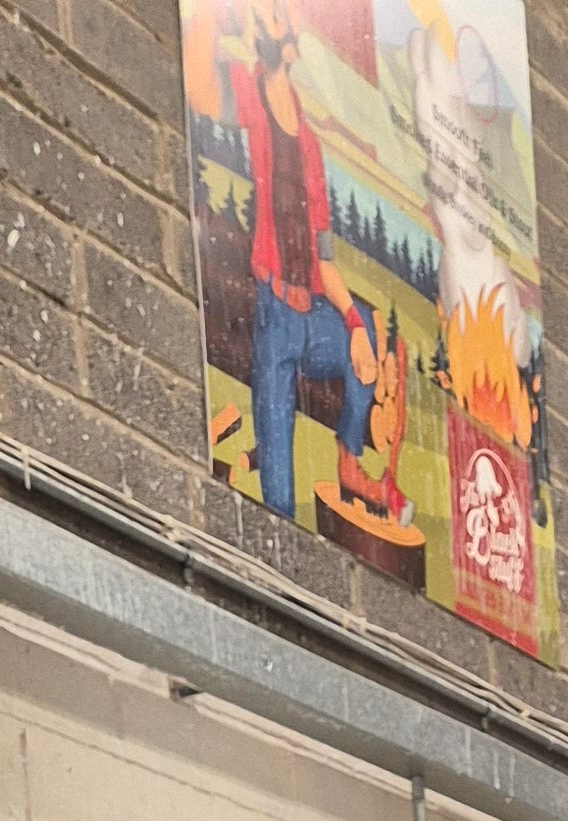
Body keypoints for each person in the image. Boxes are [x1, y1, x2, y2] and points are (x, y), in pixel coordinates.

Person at [231, 6, 379, 526]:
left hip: (312, 317)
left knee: (368, 333)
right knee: (278, 503)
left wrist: (356, 328)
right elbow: (208, 94)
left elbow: (325, 257)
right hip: (275, 317)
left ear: (291, 33)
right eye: (257, 17)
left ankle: (348, 459)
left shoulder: (310, 145)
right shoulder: (247, 91)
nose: (260, 24)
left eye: (270, 15)